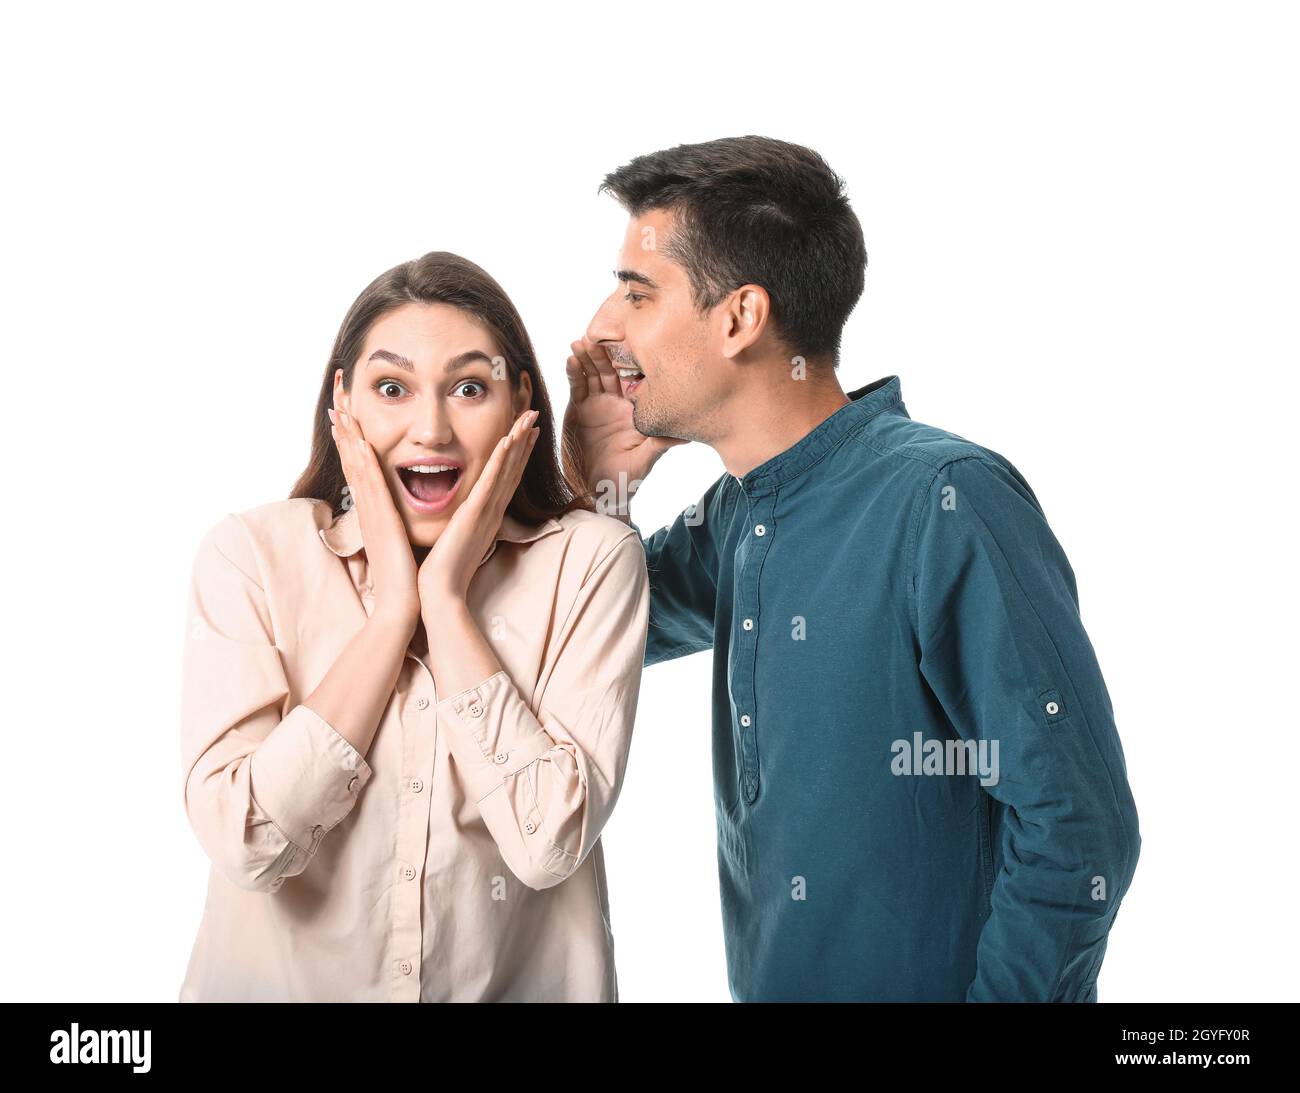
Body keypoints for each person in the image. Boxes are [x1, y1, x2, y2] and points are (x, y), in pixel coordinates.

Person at [562, 135, 1142, 1002]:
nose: (601, 329)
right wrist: (596, 492)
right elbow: (586, 640)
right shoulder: (736, 517)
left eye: (636, 293)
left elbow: (1080, 826)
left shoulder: (945, 501)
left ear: (739, 318)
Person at [179, 251, 649, 1002]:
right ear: (344, 401)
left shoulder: (593, 558)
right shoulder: (250, 557)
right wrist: (394, 611)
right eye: (391, 388)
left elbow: (548, 842)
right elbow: (248, 843)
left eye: (469, 387)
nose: (430, 429)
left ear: (521, 398)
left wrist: (447, 604)